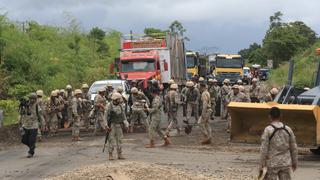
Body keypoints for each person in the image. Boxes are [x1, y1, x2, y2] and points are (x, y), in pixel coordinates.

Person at [260, 107, 298, 180]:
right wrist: (294, 162)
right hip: (285, 163)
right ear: (281, 116)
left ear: (269, 116)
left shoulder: (268, 130)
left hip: (272, 164)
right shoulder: (288, 129)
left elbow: (263, 149)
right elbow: (294, 148)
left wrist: (262, 164)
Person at [19, 93, 45, 158]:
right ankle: (32, 146)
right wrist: (19, 121)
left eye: (34, 99)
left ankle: (31, 152)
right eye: (31, 99)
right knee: (24, 140)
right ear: (29, 99)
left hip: (34, 126)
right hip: (26, 125)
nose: (32, 100)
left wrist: (43, 124)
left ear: (36, 99)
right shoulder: (25, 105)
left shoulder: (37, 106)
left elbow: (41, 116)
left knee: (31, 140)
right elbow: (21, 114)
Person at [104, 92, 129, 160]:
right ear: (115, 99)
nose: (119, 101)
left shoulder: (120, 106)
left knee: (120, 140)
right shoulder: (109, 105)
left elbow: (123, 116)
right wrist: (106, 125)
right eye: (118, 99)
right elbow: (105, 116)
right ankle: (110, 154)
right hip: (111, 125)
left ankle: (120, 154)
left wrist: (126, 124)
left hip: (118, 125)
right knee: (111, 140)